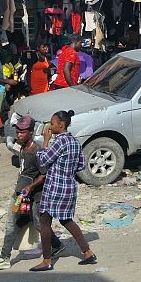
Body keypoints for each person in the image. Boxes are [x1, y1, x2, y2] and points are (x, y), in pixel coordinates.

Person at [0, 116, 64, 270]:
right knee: (13, 224)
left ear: (31, 132)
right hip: (20, 194)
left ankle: (56, 246)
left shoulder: (36, 151)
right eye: (17, 131)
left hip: (33, 195)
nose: (19, 135)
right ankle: (4, 257)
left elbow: (44, 174)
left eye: (22, 132)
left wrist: (30, 187)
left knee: (36, 223)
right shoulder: (22, 148)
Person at [30, 110, 96, 271]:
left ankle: (47, 260)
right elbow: (81, 165)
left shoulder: (59, 142)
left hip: (55, 187)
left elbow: (44, 161)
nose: (50, 127)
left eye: (52, 124)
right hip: (69, 186)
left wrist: (45, 142)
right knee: (66, 220)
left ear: (61, 124)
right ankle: (88, 253)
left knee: (44, 221)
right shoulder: (74, 141)